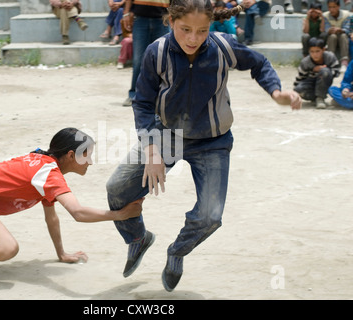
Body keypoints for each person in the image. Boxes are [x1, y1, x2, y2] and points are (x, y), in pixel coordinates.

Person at [106, 0, 301, 292]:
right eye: (185, 29)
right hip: (166, 135)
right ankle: (137, 238)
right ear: (170, 21)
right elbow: (143, 103)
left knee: (211, 216)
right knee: (117, 189)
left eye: (202, 30)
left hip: (213, 141)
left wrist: (276, 91)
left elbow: (258, 62)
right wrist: (152, 149)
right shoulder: (156, 52)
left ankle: (177, 252)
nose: (193, 38)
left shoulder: (223, 46)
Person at [0, 127, 144, 286]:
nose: (91, 162)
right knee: (6, 248)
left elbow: (51, 217)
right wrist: (121, 214)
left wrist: (61, 253)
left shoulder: (46, 165)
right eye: (87, 155)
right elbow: (78, 213)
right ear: (72, 155)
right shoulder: (49, 174)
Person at [121, 0, 170, 106]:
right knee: (138, 60)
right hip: (140, 19)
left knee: (163, 59)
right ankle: (134, 94)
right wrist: (126, 13)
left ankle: (162, 95)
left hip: (163, 19)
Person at [294, 37, 340, 109]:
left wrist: (324, 70)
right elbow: (299, 78)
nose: (315, 54)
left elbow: (337, 72)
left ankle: (320, 98)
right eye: (312, 51)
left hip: (324, 81)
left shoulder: (330, 57)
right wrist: (313, 70)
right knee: (298, 90)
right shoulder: (305, 62)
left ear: (323, 50)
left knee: (325, 72)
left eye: (317, 51)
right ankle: (314, 97)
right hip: (310, 83)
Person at [323, 0, 350, 71]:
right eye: (330, 7)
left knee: (343, 35)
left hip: (342, 38)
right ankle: (330, 61)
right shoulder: (325, 15)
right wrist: (329, 30)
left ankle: (344, 62)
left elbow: (347, 29)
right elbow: (326, 29)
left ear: (338, 7)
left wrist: (340, 30)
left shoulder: (346, 15)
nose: (331, 9)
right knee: (332, 36)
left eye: (334, 7)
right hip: (331, 38)